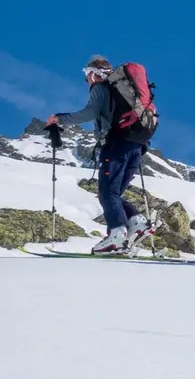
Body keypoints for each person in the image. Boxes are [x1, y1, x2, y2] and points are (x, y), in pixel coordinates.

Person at [46, 55, 157, 255]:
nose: (86, 79)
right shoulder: (124, 92)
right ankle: (136, 223)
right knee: (113, 194)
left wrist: (59, 119)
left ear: (93, 73)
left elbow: (89, 113)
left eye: (86, 74)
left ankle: (116, 236)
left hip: (116, 144)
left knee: (107, 193)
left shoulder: (100, 88)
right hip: (136, 145)